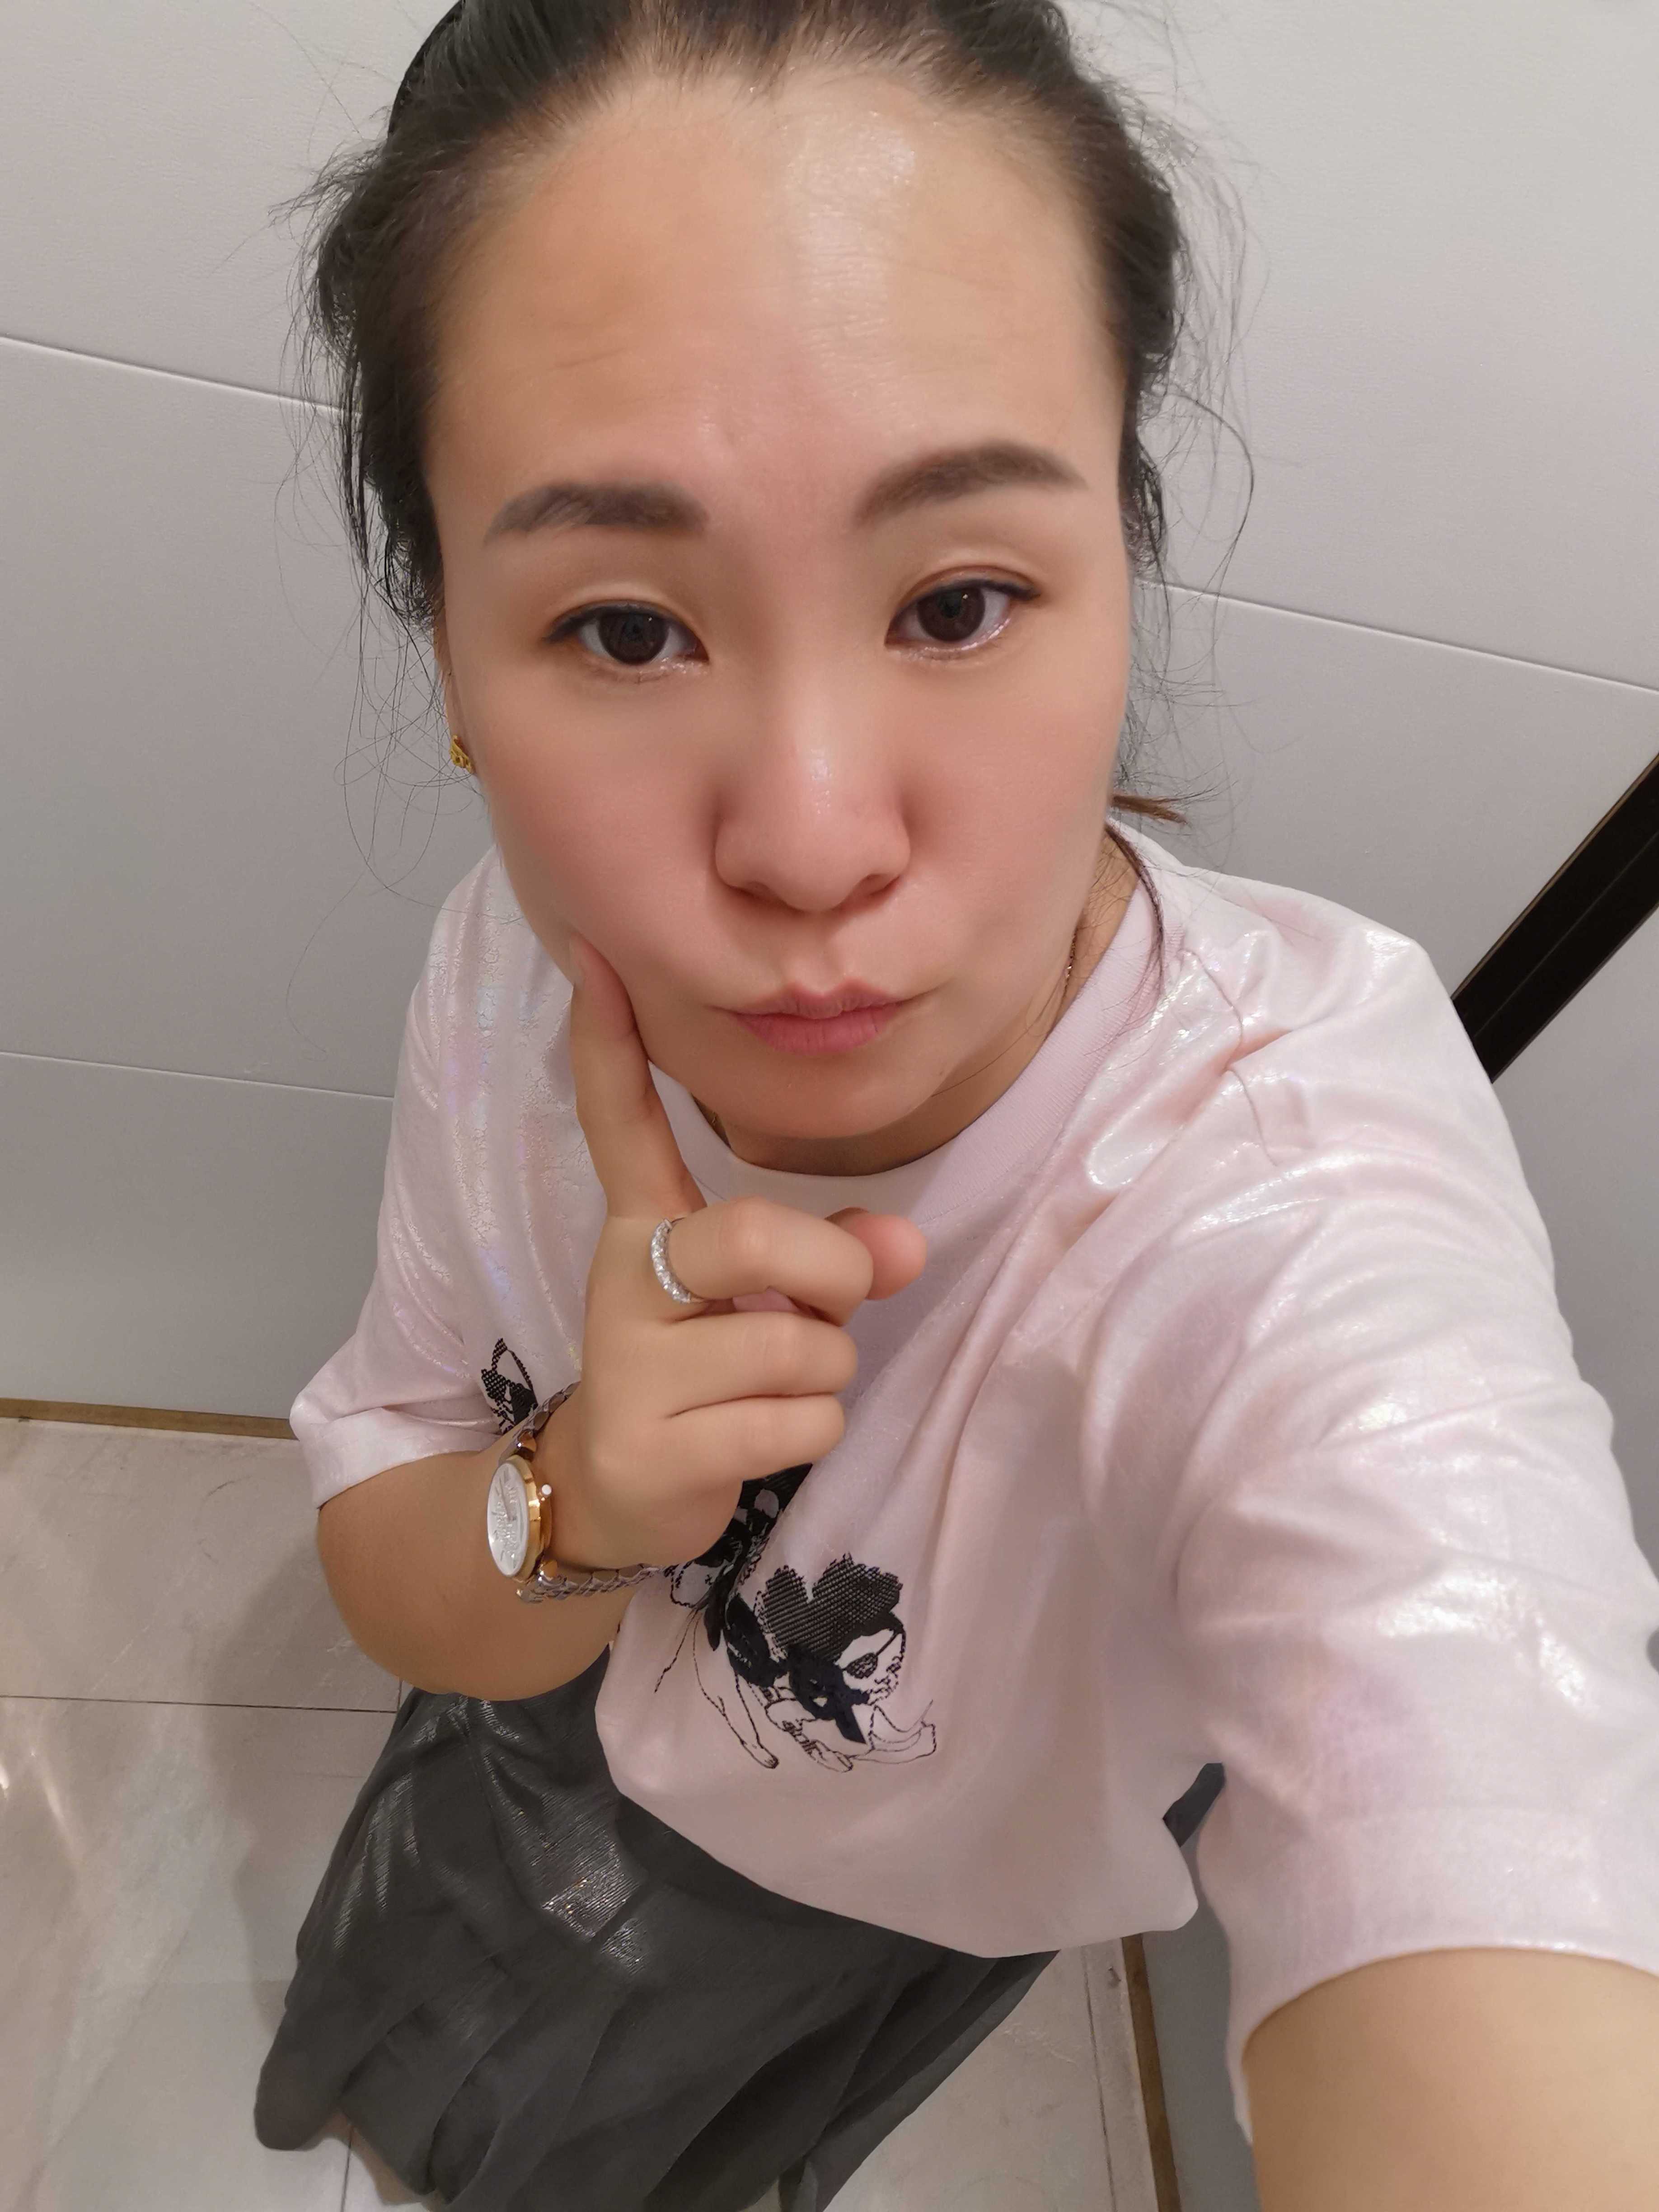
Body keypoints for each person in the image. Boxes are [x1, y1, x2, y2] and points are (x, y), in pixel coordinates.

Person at [254, 4, 1659, 2208]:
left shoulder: (1284, 1204)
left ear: (1122, 575)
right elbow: (399, 1545)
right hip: (527, 1722)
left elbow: (1469, 1742)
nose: (813, 843)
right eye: (624, 631)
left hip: (856, 1904)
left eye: (960, 600)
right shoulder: (517, 971)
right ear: (449, 659)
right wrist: (583, 1495)